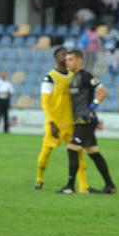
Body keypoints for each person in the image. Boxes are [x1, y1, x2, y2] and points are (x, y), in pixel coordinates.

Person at [58, 50, 116, 194]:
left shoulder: (85, 76)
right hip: (81, 121)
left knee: (72, 148)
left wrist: (92, 107)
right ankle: (110, 185)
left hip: (85, 121)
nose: (67, 62)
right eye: (66, 60)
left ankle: (70, 186)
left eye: (70, 59)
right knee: (93, 152)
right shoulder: (73, 78)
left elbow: (102, 91)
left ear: (79, 61)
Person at [34, 47, 91, 193]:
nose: (65, 57)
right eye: (62, 54)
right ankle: (39, 179)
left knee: (78, 154)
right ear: (56, 58)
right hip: (55, 124)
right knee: (45, 154)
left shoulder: (73, 75)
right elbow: (45, 102)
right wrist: (51, 122)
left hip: (71, 123)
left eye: (67, 54)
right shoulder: (50, 77)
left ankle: (83, 185)